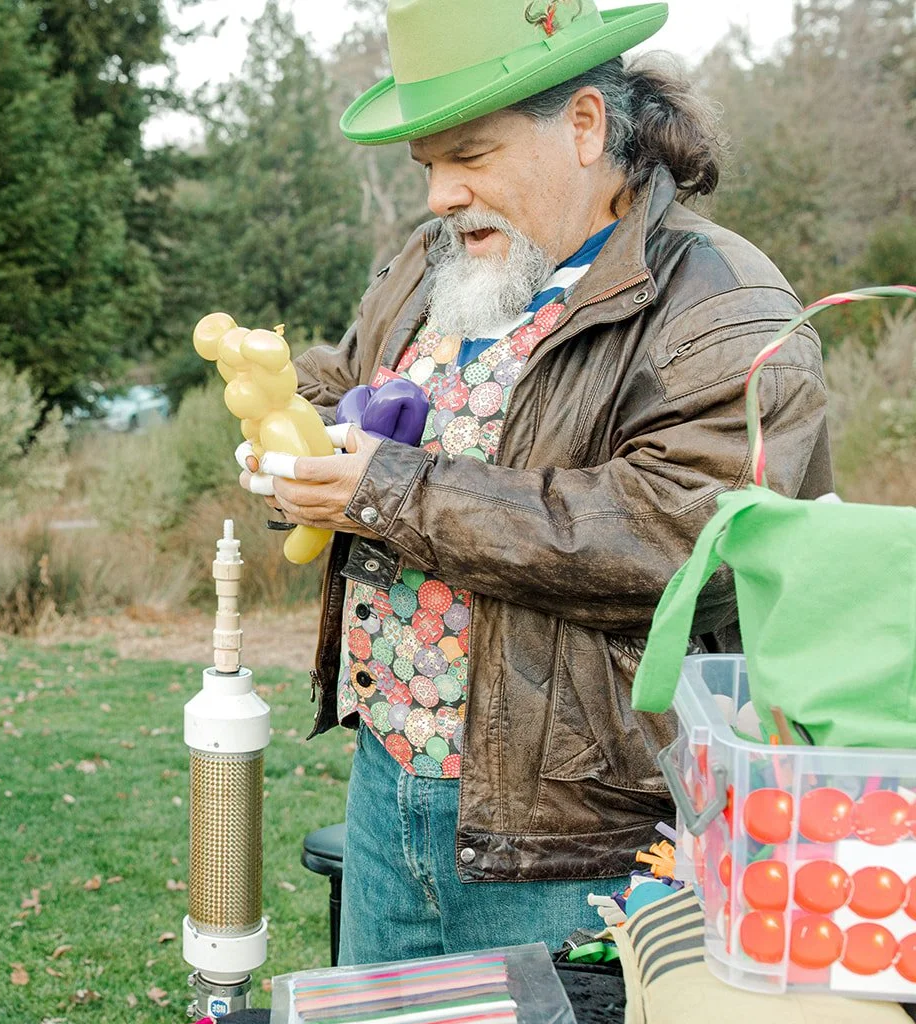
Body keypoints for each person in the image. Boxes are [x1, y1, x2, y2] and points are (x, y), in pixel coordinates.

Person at [246, 0, 832, 964]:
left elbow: (680, 540)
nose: (439, 195)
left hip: (585, 833)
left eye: (468, 157)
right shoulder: (438, 265)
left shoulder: (725, 307)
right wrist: (294, 436)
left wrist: (389, 487)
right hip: (391, 785)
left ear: (587, 127)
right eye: (427, 165)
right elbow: (350, 379)